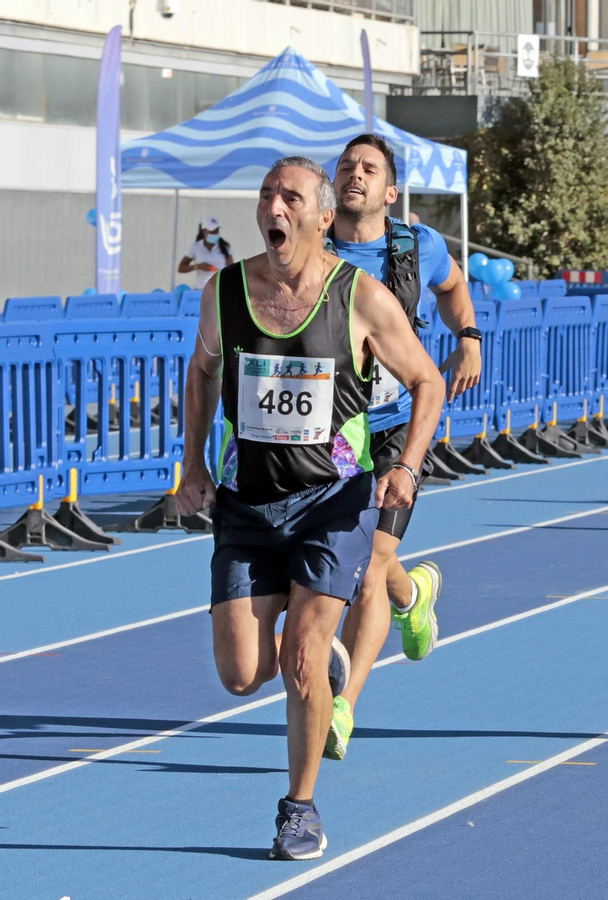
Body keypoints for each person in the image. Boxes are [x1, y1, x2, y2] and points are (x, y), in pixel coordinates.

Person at [174, 157, 445, 860]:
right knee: (240, 675)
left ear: (322, 218)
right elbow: (202, 373)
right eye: (267, 195)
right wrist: (193, 465)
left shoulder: (358, 295)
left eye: (291, 196)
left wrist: (407, 468)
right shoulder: (226, 292)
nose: (275, 207)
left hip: (335, 502)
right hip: (246, 504)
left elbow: (427, 381)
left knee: (301, 656)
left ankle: (299, 807)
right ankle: (312, 671)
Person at [323, 133, 483, 761]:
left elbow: (453, 285)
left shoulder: (416, 245)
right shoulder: (315, 245)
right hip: (332, 431)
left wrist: (467, 336)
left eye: (368, 169)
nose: (354, 175)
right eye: (345, 167)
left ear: (390, 191)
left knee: (364, 571)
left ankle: (345, 706)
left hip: (394, 424)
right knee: (366, 561)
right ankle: (414, 595)